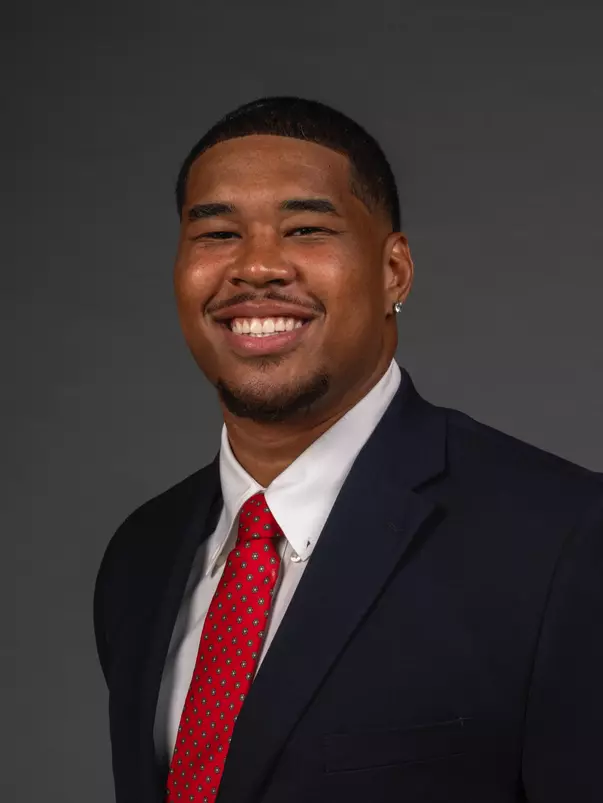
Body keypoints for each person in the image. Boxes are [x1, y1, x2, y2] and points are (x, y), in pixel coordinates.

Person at [93, 96, 603, 803]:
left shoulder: (565, 541)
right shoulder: (139, 557)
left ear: (394, 271)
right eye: (216, 234)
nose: (256, 267)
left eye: (304, 228)